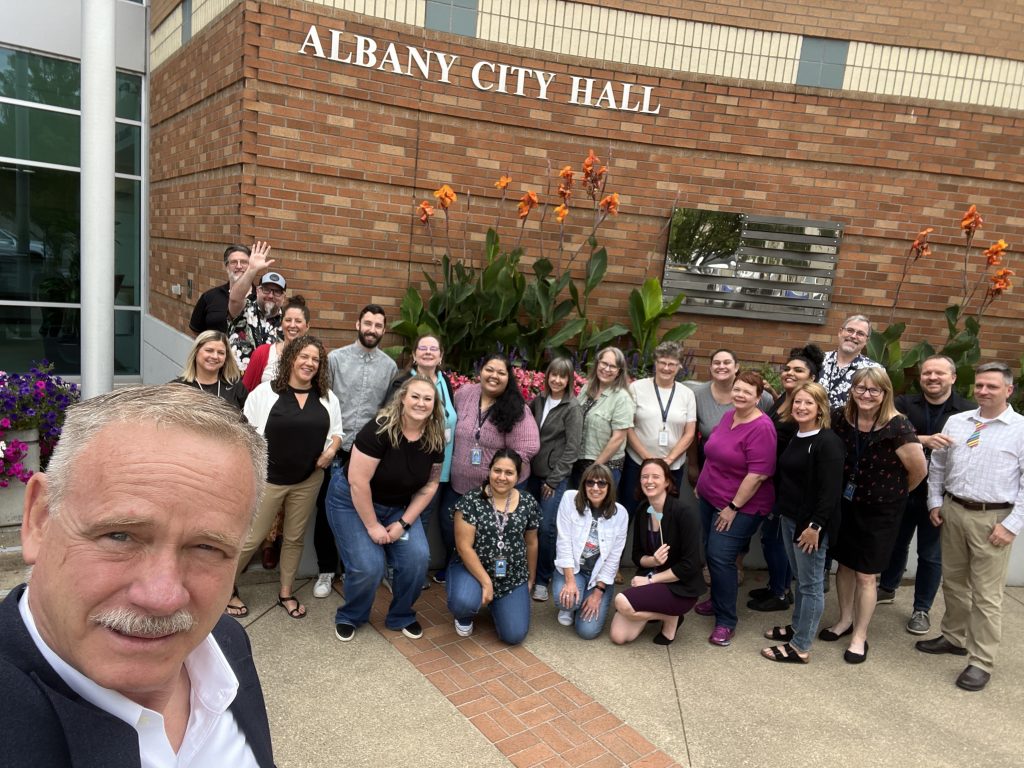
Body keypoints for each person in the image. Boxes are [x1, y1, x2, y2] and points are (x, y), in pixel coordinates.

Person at [2, 385, 275, 767]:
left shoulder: (227, 645)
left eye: (207, 548)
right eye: (120, 536)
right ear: (39, 520)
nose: (162, 596)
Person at [917, 361, 1024, 692]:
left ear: (1008, 390)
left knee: (987, 596)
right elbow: (938, 464)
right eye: (979, 385)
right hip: (954, 511)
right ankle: (953, 637)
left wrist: (1012, 525)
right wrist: (935, 502)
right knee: (954, 582)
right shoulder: (958, 422)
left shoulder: (1020, 429)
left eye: (992, 386)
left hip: (993, 518)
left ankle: (981, 661)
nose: (983, 391)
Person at [229, 335, 343, 619]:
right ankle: (226, 589)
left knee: (293, 539)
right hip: (269, 479)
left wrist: (332, 451)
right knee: (253, 538)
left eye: (315, 359)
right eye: (304, 356)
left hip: (308, 479)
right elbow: (246, 436)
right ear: (291, 358)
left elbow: (339, 431)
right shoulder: (264, 393)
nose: (309, 363)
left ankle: (285, 592)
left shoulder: (327, 397)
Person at [820, 367, 926, 664]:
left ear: (885, 394)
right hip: (846, 505)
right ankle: (844, 620)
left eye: (873, 390)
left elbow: (918, 471)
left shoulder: (898, 426)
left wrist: (894, 494)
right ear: (853, 390)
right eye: (860, 388)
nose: (866, 395)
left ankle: (860, 635)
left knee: (866, 574)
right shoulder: (842, 418)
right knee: (844, 566)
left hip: (881, 511)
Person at [327, 376, 445, 642]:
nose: (421, 403)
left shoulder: (435, 438)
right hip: (352, 502)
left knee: (416, 559)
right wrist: (372, 526)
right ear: (402, 398)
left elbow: (430, 485)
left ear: (434, 405)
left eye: (428, 398)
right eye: (415, 396)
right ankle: (351, 615)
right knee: (369, 566)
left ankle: (401, 615)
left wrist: (403, 523)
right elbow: (358, 482)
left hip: (397, 507)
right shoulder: (379, 429)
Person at [878, 355, 973, 635]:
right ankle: (888, 587)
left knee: (931, 554)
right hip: (903, 487)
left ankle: (921, 608)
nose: (932, 378)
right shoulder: (903, 404)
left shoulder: (966, 412)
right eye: (927, 373)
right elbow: (885, 430)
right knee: (896, 543)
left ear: (953, 378)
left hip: (940, 495)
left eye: (939, 373)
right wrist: (922, 440)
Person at [312, 305, 398, 599]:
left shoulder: (389, 367)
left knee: (364, 512)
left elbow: (388, 411)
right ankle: (326, 569)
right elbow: (324, 401)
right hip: (337, 448)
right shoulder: (335, 359)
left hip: (370, 455)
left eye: (378, 325)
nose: (372, 329)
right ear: (357, 324)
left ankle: (355, 569)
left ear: (383, 330)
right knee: (325, 512)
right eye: (368, 323)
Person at [760, 382, 844, 663]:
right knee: (801, 579)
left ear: (820, 408)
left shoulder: (827, 442)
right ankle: (797, 627)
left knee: (811, 585)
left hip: (810, 526)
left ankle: (801, 646)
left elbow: (830, 491)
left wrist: (816, 527)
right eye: (798, 402)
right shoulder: (798, 435)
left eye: (809, 403)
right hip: (790, 517)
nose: (801, 407)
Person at [438, 354, 540, 583]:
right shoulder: (464, 393)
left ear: (508, 378)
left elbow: (528, 447)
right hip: (459, 484)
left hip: (495, 490)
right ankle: (457, 566)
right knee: (449, 525)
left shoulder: (517, 407)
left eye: (501, 372)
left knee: (490, 534)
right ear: (480, 371)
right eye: (489, 370)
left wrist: (500, 477)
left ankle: (486, 576)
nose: (494, 376)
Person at [694, 371, 777, 647]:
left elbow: (758, 475)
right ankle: (717, 601)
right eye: (737, 389)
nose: (740, 395)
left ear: (758, 397)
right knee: (710, 550)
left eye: (747, 392)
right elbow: (714, 451)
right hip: (710, 496)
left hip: (740, 506)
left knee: (720, 557)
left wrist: (732, 507)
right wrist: (702, 484)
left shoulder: (762, 427)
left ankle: (726, 621)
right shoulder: (729, 416)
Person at [686, 348, 772, 586]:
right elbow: (703, 442)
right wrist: (699, 477)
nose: (721, 366)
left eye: (727, 362)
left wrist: (733, 505)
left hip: (741, 488)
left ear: (736, 367)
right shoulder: (710, 403)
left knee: (724, 547)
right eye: (716, 362)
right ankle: (717, 574)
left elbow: (758, 469)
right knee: (712, 541)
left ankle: (733, 569)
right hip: (712, 481)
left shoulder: (762, 411)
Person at [748, 344, 824, 612]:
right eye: (788, 368)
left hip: (790, 487)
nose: (790, 372)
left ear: (812, 378)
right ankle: (776, 585)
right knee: (771, 537)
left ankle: (781, 593)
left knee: (775, 539)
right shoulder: (784, 399)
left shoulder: (806, 407)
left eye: (798, 370)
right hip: (774, 482)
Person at [446, 449, 540, 644]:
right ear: (489, 471)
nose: (502, 477)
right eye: (497, 470)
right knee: (464, 602)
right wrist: (487, 582)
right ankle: (465, 614)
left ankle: (498, 604)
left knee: (514, 636)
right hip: (471, 570)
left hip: (512, 575)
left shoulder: (528, 502)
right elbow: (464, 547)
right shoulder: (471, 500)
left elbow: (531, 542)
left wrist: (530, 578)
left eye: (509, 472)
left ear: (518, 475)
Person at [384, 333, 458, 581]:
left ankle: (412, 570)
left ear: (440, 356)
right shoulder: (403, 383)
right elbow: (390, 421)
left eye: (433, 349)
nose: (428, 352)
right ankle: (399, 572)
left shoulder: (443, 381)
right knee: (411, 519)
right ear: (414, 355)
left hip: (441, 467)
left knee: (423, 519)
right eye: (422, 348)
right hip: (413, 467)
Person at [609, 458, 704, 645]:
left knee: (621, 601)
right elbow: (637, 556)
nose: (649, 481)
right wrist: (653, 561)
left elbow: (690, 565)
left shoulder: (683, 512)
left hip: (680, 588)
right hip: (652, 578)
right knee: (619, 637)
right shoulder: (644, 510)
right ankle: (666, 615)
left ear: (667, 481)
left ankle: (671, 617)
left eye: (655, 476)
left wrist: (649, 580)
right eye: (644, 477)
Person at [527, 357, 582, 601]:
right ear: (547, 376)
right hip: (530, 474)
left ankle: (542, 578)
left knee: (547, 529)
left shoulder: (572, 408)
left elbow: (572, 448)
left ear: (569, 380)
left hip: (553, 479)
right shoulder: (538, 401)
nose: (557, 380)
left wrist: (553, 480)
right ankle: (526, 574)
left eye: (563, 376)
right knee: (528, 527)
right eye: (553, 375)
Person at [552, 463, 628, 639]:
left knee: (587, 632)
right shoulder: (569, 499)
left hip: (598, 576)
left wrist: (597, 594)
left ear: (609, 487)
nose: (595, 487)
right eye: (590, 482)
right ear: (583, 485)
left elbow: (613, 559)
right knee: (568, 601)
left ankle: (585, 599)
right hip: (574, 570)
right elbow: (563, 543)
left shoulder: (621, 514)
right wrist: (570, 582)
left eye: (602, 483)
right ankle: (572, 606)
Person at [621, 340, 696, 512]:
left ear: (679, 367)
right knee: (628, 511)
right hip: (637, 463)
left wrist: (668, 461)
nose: (666, 368)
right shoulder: (637, 388)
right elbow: (628, 426)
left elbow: (689, 433)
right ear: (655, 363)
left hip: (672, 467)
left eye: (672, 364)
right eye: (662, 362)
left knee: (664, 517)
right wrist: (648, 458)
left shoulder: (687, 394)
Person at [573, 346, 635, 487]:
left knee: (598, 509)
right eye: (604, 363)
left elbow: (618, 438)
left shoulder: (622, 398)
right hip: (578, 462)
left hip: (605, 468)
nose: (607, 369)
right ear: (597, 363)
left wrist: (595, 468)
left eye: (613, 366)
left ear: (619, 371)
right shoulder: (587, 387)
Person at [242, 295, 311, 390]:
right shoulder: (262, 353)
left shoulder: (314, 358)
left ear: (307, 326)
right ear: (282, 323)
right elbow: (244, 393)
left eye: (298, 321)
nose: (292, 325)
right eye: (288, 320)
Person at [173, 329, 249, 410]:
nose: (215, 356)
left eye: (221, 353)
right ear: (196, 352)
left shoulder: (235, 387)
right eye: (209, 350)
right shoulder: (177, 388)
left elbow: (248, 419)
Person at [818, 314, 880, 410]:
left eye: (860, 334)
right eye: (850, 330)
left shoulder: (875, 370)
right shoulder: (817, 360)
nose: (853, 336)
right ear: (840, 332)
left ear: (866, 341)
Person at [189, 243, 252, 334]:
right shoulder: (209, 297)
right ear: (227, 267)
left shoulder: (261, 297)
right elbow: (196, 331)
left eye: (243, 262)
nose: (239, 266)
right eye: (234, 262)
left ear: (250, 266)